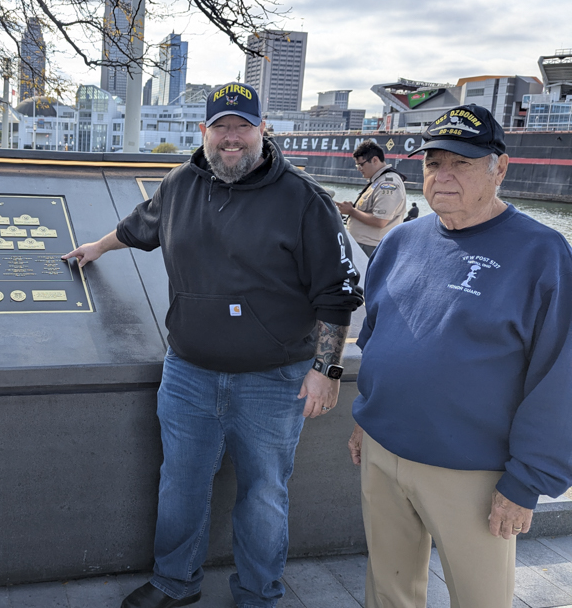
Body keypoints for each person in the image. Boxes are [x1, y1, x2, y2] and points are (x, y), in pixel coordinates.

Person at [63, 83, 362, 608]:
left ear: (262, 130)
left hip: (275, 380)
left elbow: (337, 296)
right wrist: (97, 247)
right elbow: (138, 228)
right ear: (203, 132)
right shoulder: (179, 184)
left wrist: (326, 370)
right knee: (180, 485)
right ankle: (174, 583)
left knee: (264, 496)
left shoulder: (304, 199)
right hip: (189, 374)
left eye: (242, 126)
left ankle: (258, 595)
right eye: (220, 127)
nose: (231, 138)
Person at [347, 104, 572, 608]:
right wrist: (366, 417)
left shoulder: (543, 253)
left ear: (500, 168)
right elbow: (376, 338)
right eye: (433, 163)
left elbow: (560, 377)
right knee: (388, 588)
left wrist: (526, 482)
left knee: (479, 599)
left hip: (472, 474)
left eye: (462, 163)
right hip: (383, 453)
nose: (443, 176)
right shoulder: (401, 240)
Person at [335, 141, 407, 257]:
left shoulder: (387, 183)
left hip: (371, 247)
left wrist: (351, 211)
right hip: (364, 245)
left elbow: (380, 220)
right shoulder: (377, 181)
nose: (359, 168)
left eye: (361, 164)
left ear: (375, 160)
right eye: (357, 165)